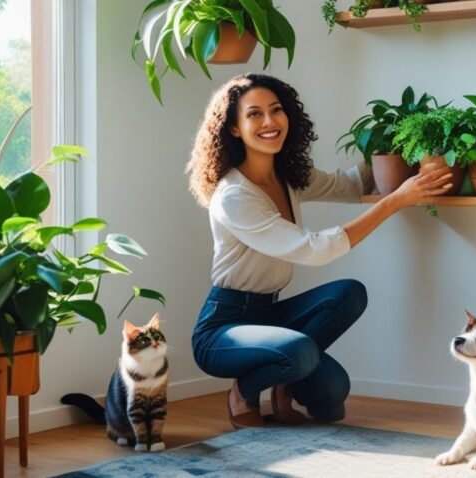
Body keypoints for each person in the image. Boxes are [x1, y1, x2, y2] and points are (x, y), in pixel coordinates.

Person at [187, 73, 452, 428]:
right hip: (224, 327)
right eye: (253, 114)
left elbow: (349, 185)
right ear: (234, 128)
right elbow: (315, 250)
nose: (269, 122)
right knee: (301, 353)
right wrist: (396, 201)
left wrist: (391, 140)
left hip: (269, 313)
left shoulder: (288, 174)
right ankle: (244, 391)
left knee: (333, 387)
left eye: (276, 110)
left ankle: (282, 374)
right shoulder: (234, 196)